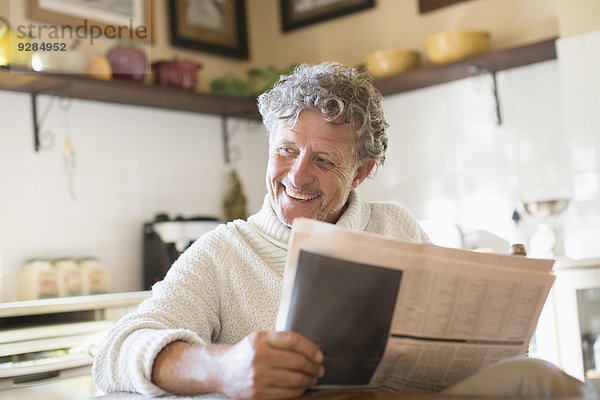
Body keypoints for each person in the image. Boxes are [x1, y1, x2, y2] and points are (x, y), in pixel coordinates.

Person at [92, 62, 596, 399]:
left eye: (325, 160)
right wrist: (223, 368)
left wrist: (494, 318)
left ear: (361, 171)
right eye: (286, 150)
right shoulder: (223, 252)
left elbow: (454, 358)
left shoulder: (393, 224)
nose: (297, 175)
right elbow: (115, 351)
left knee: (541, 379)